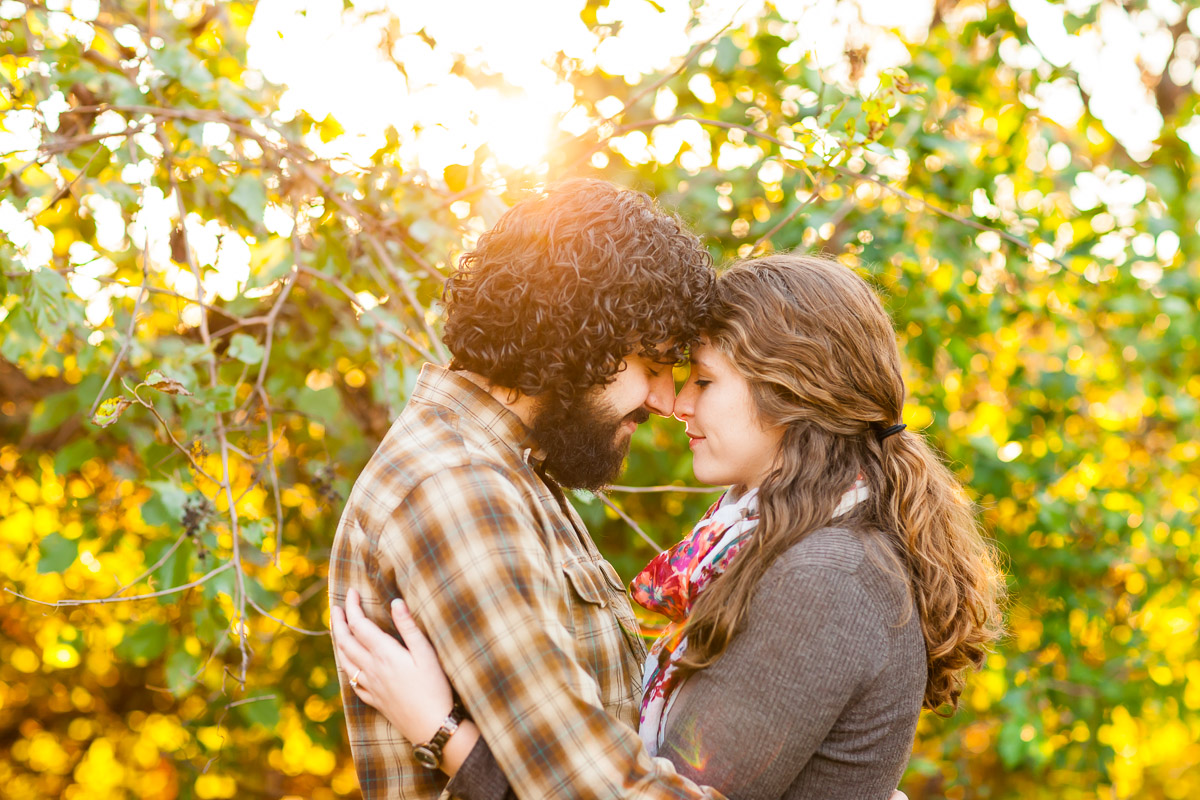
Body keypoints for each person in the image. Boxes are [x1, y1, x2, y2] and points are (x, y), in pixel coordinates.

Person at [334, 253, 1005, 799]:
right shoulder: (762, 548)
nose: (677, 402)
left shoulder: (827, 576)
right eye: (666, 372)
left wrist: (445, 732)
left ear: (792, 391)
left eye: (702, 381)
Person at [328, 178, 732, 800]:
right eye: (650, 366)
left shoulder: (514, 472)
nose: (662, 398)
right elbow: (594, 790)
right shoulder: (460, 488)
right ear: (575, 337)